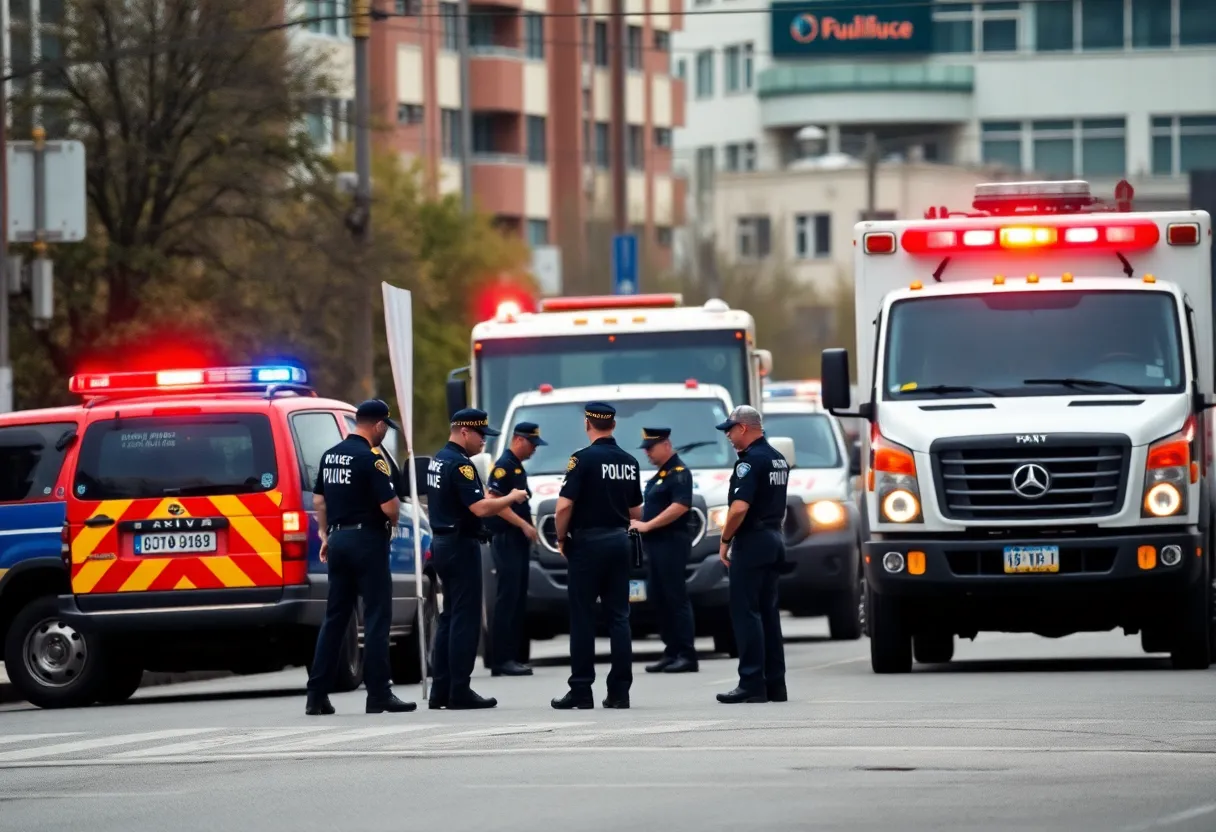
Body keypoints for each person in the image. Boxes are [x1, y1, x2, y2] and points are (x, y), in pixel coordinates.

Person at [306, 399, 416, 716]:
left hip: (338, 540)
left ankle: (316, 695)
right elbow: (391, 508)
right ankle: (379, 693)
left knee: (336, 619)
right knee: (378, 617)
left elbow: (319, 501)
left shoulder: (330, 456)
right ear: (379, 425)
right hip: (367, 540)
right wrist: (392, 522)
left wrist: (326, 536)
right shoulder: (372, 459)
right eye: (385, 427)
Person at [426, 407, 528, 710]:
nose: (484, 441)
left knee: (449, 618)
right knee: (465, 620)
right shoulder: (461, 465)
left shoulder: (438, 459)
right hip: (460, 546)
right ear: (465, 432)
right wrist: (511, 497)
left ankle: (440, 690)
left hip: (443, 543)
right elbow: (480, 509)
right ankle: (460, 689)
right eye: (481, 434)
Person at [551, 402, 643, 710]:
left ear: (588, 425)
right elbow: (635, 511)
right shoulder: (630, 462)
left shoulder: (582, 460)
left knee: (583, 618)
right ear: (613, 425)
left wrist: (562, 538)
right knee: (619, 617)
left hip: (588, 544)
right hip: (620, 542)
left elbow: (564, 506)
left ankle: (581, 690)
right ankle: (620, 692)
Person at [713, 405, 789, 704]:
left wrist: (725, 538)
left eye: (730, 430)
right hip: (774, 539)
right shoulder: (777, 459)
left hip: (752, 540)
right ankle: (775, 684)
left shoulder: (750, 462)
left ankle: (751, 683)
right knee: (768, 614)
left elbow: (740, 507)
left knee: (746, 613)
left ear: (743, 427)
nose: (729, 437)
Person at [629, 427, 698, 674]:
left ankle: (686, 654)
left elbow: (680, 506)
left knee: (675, 597)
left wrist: (647, 525)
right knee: (659, 597)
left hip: (672, 543)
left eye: (650, 447)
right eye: (645, 448)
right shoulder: (659, 476)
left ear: (666, 445)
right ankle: (671, 651)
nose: (646, 452)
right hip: (656, 545)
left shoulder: (679, 473)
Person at [485, 421, 547, 677]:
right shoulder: (504, 466)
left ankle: (511, 655)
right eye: (532, 444)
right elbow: (493, 500)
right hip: (507, 538)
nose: (534, 450)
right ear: (519, 440)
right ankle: (501, 659)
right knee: (507, 598)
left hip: (517, 541)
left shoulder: (516, 466)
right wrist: (524, 524)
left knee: (516, 598)